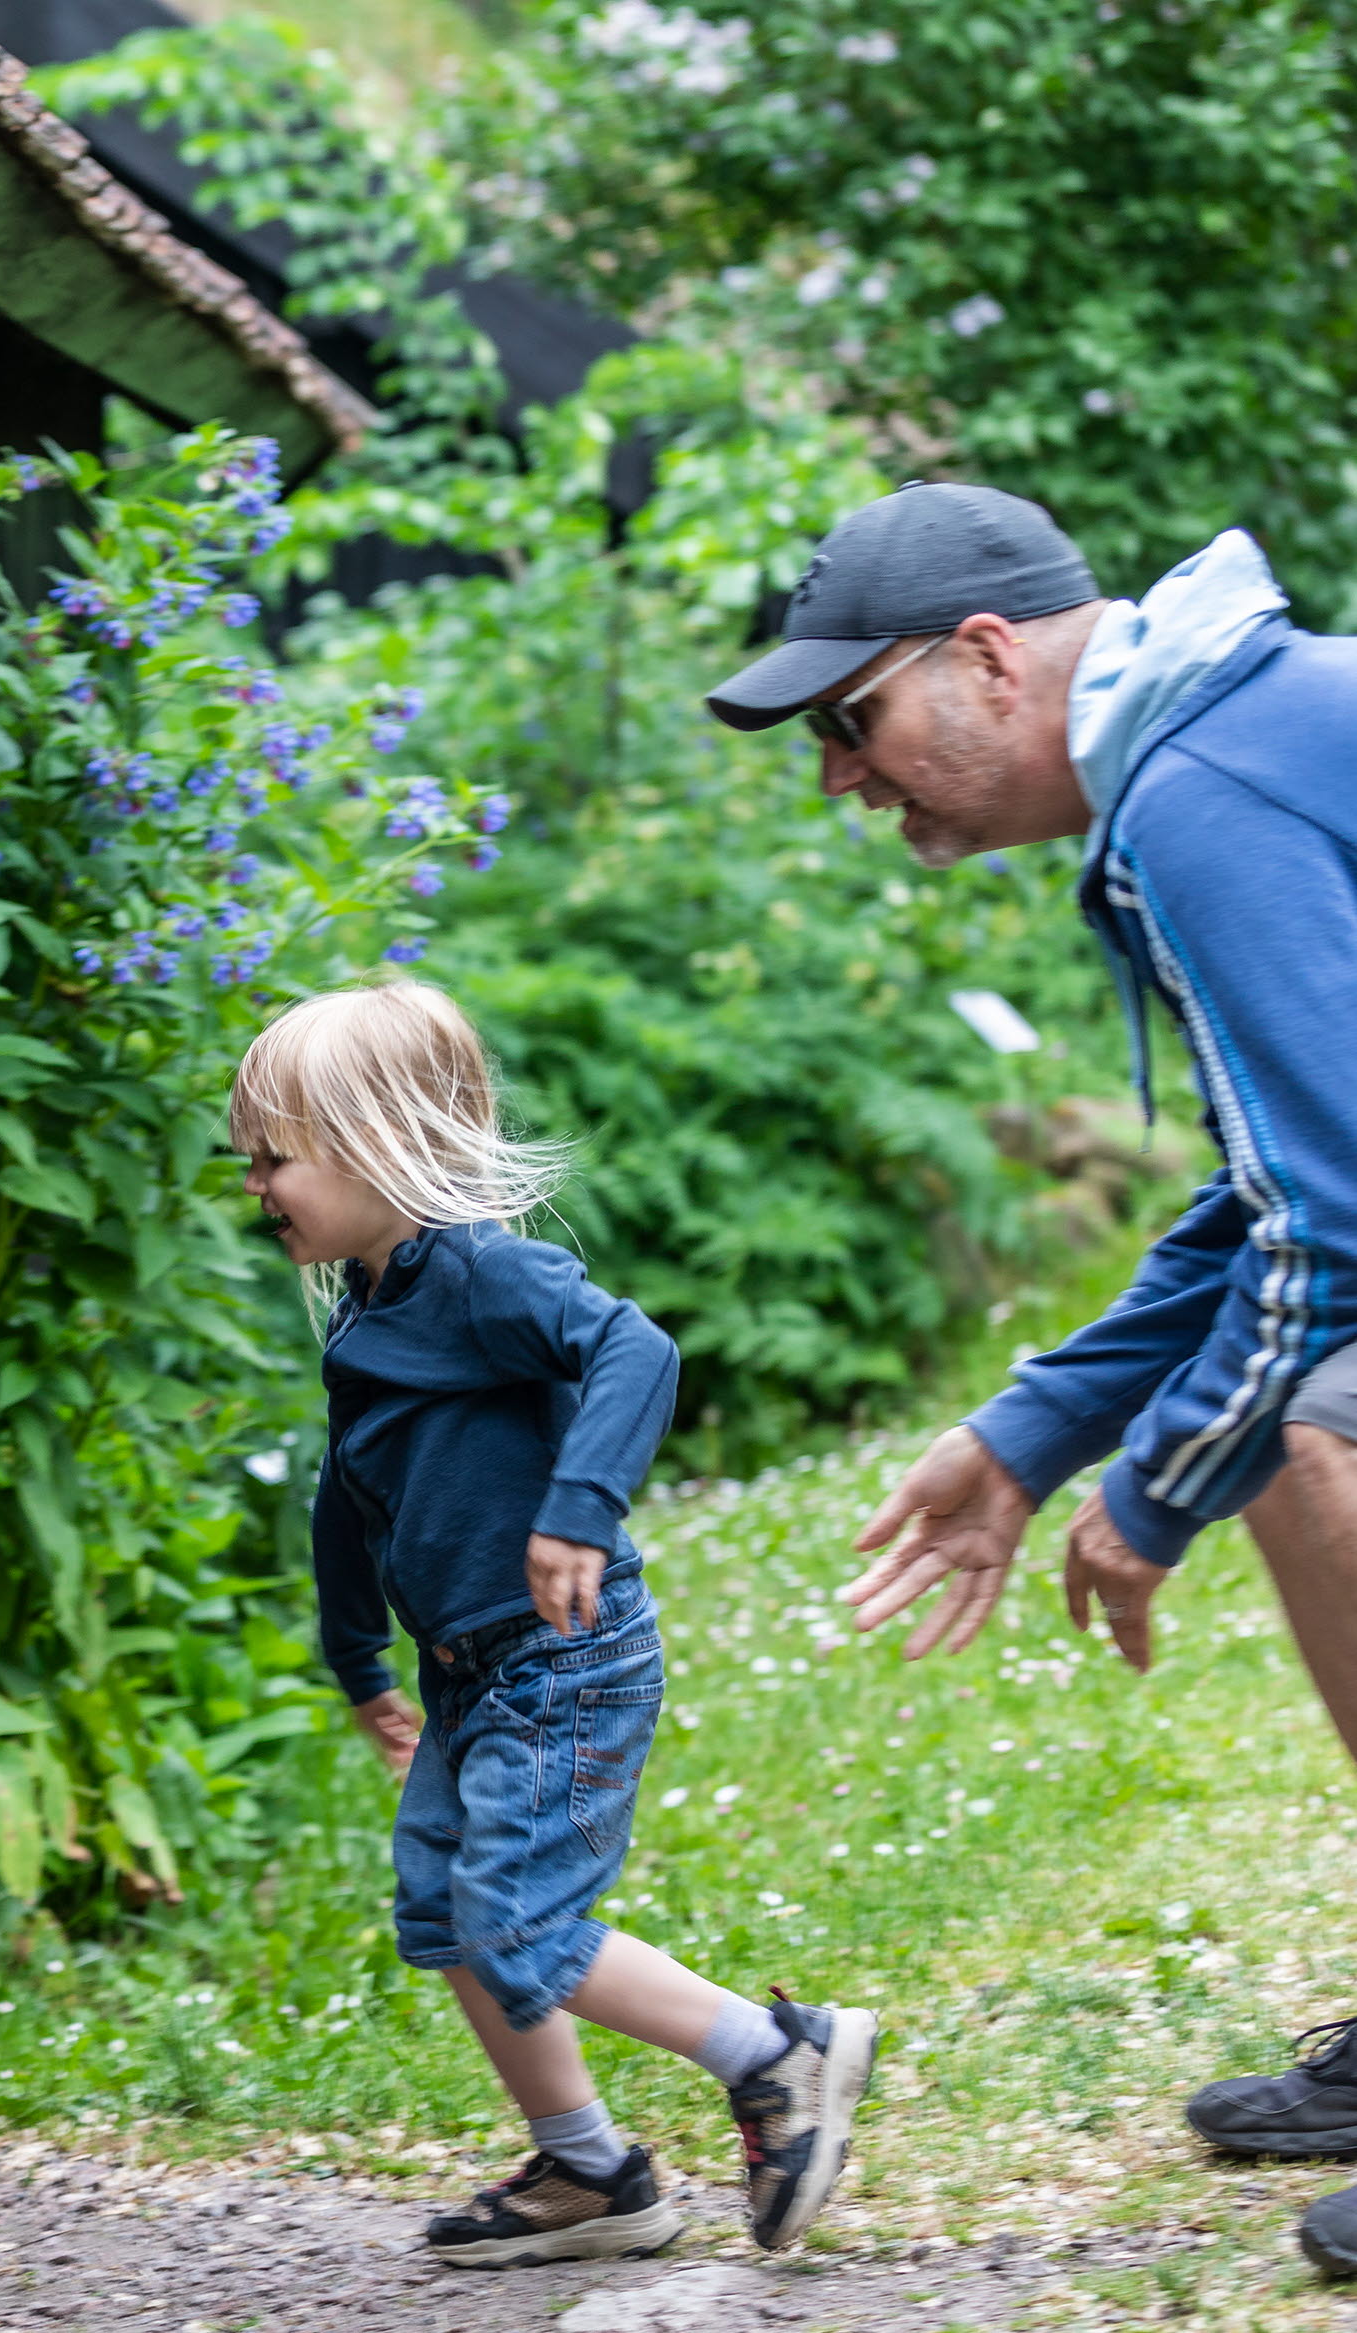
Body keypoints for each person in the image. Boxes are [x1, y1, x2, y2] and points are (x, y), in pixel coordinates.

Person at [700, 483, 1357, 2276]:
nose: (839, 775)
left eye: (851, 720)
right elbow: (1263, 1195)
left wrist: (1148, 1491)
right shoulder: (1213, 741)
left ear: (983, 659)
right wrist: (1029, 1426)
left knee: (1309, 1438)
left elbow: (1332, 1217)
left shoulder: (1198, 794)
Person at [234, 983, 878, 2268]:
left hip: (563, 1653)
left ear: (372, 1143)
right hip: (469, 1670)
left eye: (273, 1156)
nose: (254, 1183)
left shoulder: (476, 1271)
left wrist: (580, 1509)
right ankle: (591, 2169)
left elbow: (636, 1348)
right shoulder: (371, 1308)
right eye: (245, 1158)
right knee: (446, 1911)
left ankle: (778, 2054)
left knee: (515, 1917)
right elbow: (348, 1497)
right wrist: (357, 1653)